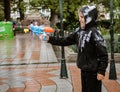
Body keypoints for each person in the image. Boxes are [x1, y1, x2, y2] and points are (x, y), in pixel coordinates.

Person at [44, 5, 108, 92]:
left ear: (89, 17)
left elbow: (103, 54)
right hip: (83, 70)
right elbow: (65, 40)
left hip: (93, 72)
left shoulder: (95, 33)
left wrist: (101, 71)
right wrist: (50, 39)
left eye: (82, 17)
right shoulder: (79, 31)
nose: (79, 19)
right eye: (79, 17)